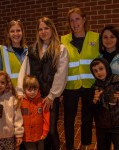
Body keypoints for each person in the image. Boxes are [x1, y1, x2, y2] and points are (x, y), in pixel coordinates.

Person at [17, 17, 68, 150]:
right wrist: (20, 91)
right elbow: (24, 71)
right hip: (33, 96)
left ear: (52, 29)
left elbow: (61, 74)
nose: (43, 31)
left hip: (49, 98)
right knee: (33, 128)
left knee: (50, 130)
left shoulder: (60, 49)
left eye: (46, 28)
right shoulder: (32, 49)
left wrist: (52, 95)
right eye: (40, 29)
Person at [61, 7, 100, 150]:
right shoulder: (63, 40)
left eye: (77, 19)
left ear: (84, 20)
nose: (74, 23)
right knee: (69, 119)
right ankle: (70, 146)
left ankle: (84, 145)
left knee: (87, 117)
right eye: (71, 20)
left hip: (90, 85)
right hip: (70, 86)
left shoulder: (96, 38)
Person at [90, 58, 119, 150]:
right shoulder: (94, 87)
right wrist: (94, 101)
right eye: (95, 71)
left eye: (101, 68)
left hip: (117, 125)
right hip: (101, 126)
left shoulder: (117, 81)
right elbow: (90, 110)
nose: (99, 72)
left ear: (107, 68)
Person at [0, 19, 28, 87]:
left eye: (18, 30)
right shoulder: (1, 50)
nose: (16, 34)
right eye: (12, 31)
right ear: (8, 34)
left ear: (22, 32)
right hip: (9, 93)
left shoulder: (28, 51)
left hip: (26, 92)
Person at [21, 75, 50, 150]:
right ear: (24, 89)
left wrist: (45, 132)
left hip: (40, 135)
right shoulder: (20, 102)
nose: (32, 92)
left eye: (34, 89)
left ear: (38, 89)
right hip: (26, 136)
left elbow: (46, 119)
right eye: (29, 90)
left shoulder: (42, 102)